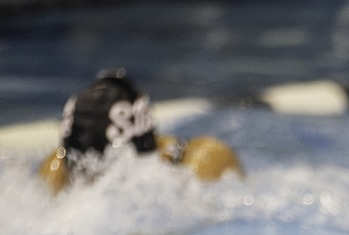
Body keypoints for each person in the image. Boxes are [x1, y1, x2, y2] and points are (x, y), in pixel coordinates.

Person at [38, 70, 242, 193]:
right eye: (82, 174)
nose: (92, 185)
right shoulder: (58, 168)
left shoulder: (205, 162)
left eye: (102, 174)